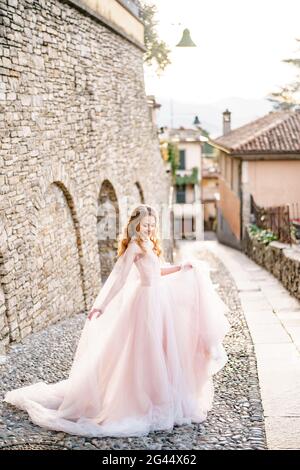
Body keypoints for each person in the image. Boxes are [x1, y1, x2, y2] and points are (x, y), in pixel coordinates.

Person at [3, 204, 230, 437]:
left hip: (159, 301)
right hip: (144, 303)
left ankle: (160, 398)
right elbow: (120, 278)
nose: (150, 227)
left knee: (161, 352)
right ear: (136, 224)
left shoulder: (150, 244)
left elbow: (158, 271)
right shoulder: (134, 246)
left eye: (153, 224)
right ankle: (137, 400)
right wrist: (102, 305)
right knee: (143, 353)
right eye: (146, 224)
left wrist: (181, 267)